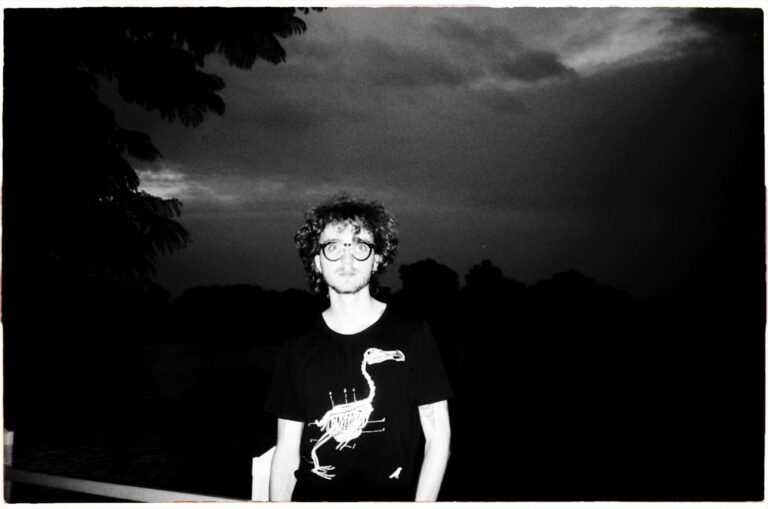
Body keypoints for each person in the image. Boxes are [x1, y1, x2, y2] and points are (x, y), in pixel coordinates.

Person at [264, 194, 452, 502]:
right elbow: (286, 451)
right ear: (317, 261)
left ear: (376, 258)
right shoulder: (298, 342)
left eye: (360, 246)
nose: (347, 259)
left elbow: (438, 438)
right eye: (333, 247)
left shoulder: (412, 332)